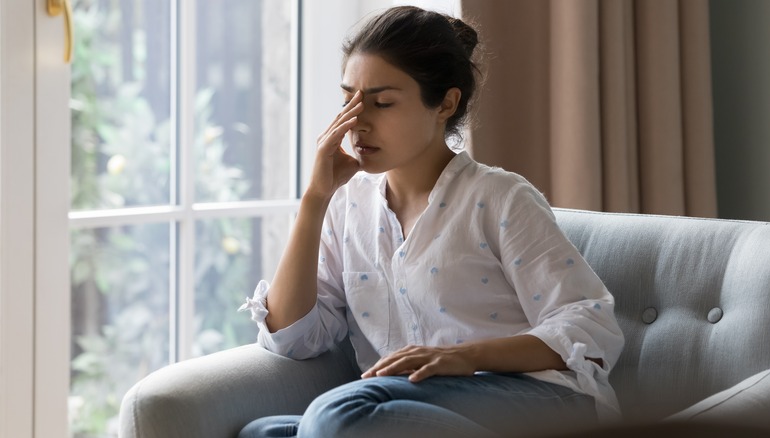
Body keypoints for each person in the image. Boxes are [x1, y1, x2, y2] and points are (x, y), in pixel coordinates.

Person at [238, 6, 624, 438]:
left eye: (382, 103)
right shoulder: (347, 206)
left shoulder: (500, 198)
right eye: (348, 101)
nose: (356, 122)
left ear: (445, 103)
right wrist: (315, 199)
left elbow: (590, 326)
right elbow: (292, 338)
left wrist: (466, 358)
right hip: (413, 407)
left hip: (537, 398)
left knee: (337, 416)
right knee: (262, 433)